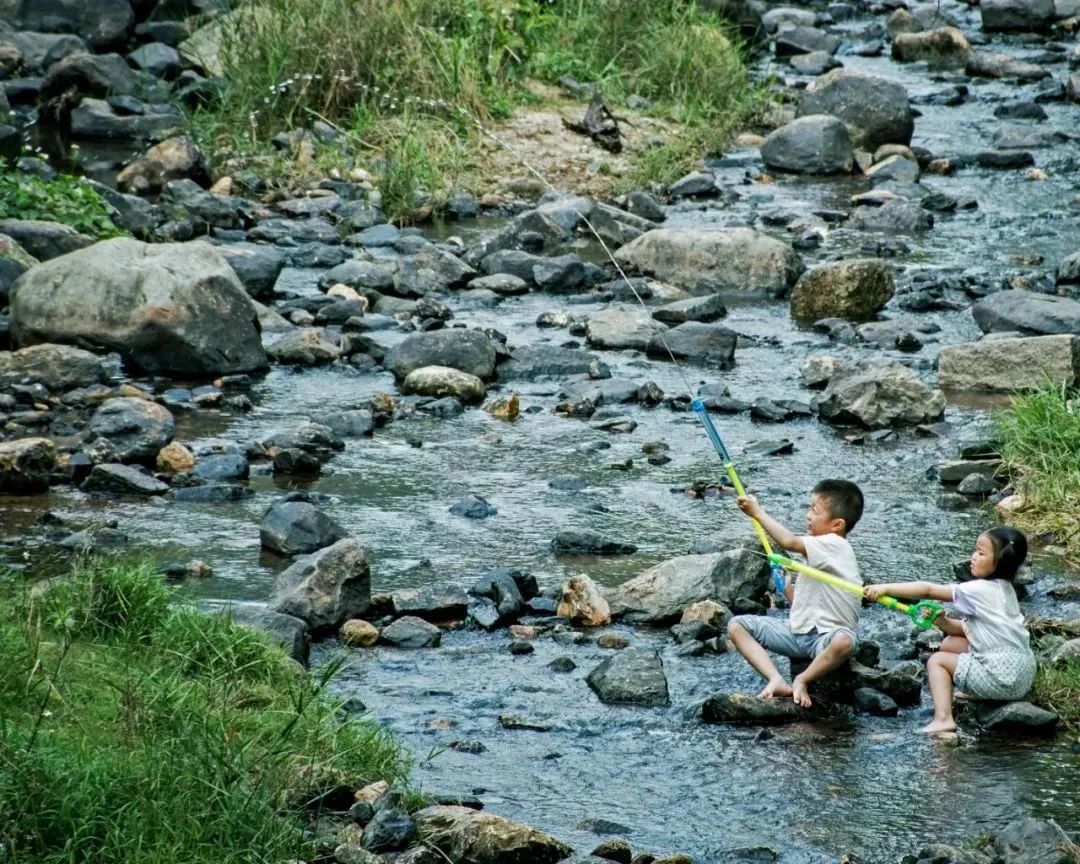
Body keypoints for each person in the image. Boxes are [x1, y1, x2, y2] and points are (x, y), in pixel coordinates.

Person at [864, 526, 1035, 734]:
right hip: (1023, 675)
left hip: (1003, 679)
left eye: (981, 553)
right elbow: (972, 631)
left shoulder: (977, 590)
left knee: (937, 661)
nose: (973, 556)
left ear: (1000, 562)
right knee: (950, 644)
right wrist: (943, 622)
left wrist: (885, 588)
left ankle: (943, 719)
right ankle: (980, 691)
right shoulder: (1005, 590)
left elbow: (928, 590)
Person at [727, 479, 865, 708]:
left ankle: (803, 679)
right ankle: (776, 679)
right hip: (798, 634)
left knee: (844, 641)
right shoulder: (818, 552)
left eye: (815, 510)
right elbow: (805, 608)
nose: (808, 515)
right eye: (809, 508)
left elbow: (788, 542)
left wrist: (757, 513)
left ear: (837, 525)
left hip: (825, 639)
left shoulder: (835, 544)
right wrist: (788, 590)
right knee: (736, 625)